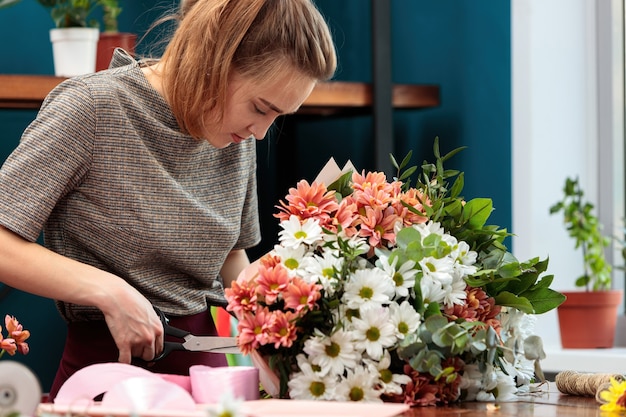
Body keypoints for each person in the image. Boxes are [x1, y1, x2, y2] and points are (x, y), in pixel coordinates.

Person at [0, 0, 336, 400]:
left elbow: (230, 259)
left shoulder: (234, 134)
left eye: (277, 116)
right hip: (108, 386)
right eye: (261, 108)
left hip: (218, 386)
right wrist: (110, 291)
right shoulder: (92, 108)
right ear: (215, 59)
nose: (262, 132)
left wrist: (279, 319)